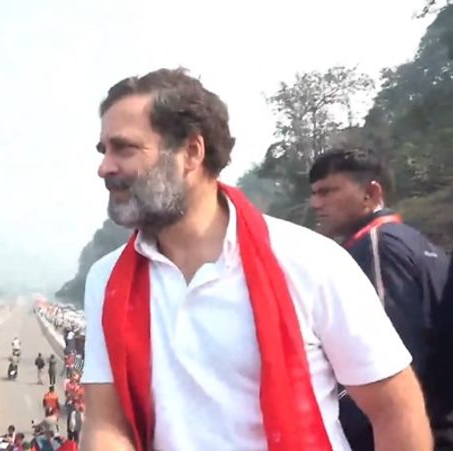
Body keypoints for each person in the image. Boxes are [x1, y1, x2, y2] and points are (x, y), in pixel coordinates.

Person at [80, 67, 431, 450]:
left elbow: (396, 411)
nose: (105, 167)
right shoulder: (108, 280)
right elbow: (106, 423)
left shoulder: (309, 262)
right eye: (104, 151)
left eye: (124, 148)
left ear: (191, 152)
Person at [309, 148, 452, 450]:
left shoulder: (378, 247)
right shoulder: (416, 242)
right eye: (314, 193)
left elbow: (385, 364)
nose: (316, 204)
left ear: (371, 193)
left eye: (328, 191)